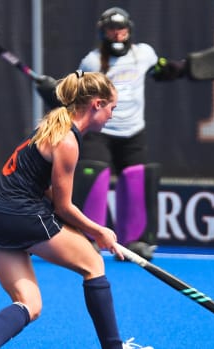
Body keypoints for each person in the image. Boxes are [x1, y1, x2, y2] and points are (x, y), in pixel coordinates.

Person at [0, 71, 152, 349]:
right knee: (93, 263)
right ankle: (114, 347)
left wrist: (83, 230)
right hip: (22, 214)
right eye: (112, 107)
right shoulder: (67, 141)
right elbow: (63, 206)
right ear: (96, 104)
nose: (112, 115)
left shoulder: (50, 128)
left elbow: (49, 193)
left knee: (30, 303)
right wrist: (100, 232)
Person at [36, 7, 189, 260]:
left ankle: (136, 242)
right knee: (94, 177)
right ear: (103, 33)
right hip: (101, 130)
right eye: (111, 30)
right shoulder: (92, 61)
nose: (117, 34)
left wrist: (183, 67)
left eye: (121, 29)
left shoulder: (145, 54)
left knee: (135, 179)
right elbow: (77, 92)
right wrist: (53, 91)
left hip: (133, 130)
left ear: (129, 31)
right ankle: (87, 239)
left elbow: (162, 70)